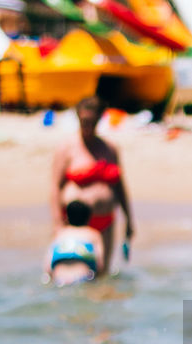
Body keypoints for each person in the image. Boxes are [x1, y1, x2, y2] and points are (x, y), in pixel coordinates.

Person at [51, 96, 135, 274]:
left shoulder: (110, 148)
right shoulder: (67, 147)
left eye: (91, 121)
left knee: (102, 272)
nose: (87, 126)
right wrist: (57, 223)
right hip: (75, 224)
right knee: (76, 271)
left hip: (105, 220)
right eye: (83, 121)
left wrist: (129, 220)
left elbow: (120, 187)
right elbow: (55, 187)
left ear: (99, 120)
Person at [46, 200, 105, 287]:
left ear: (67, 217)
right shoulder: (93, 234)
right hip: (83, 277)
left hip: (59, 279)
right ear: (88, 218)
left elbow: (48, 268)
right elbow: (100, 266)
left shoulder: (59, 234)